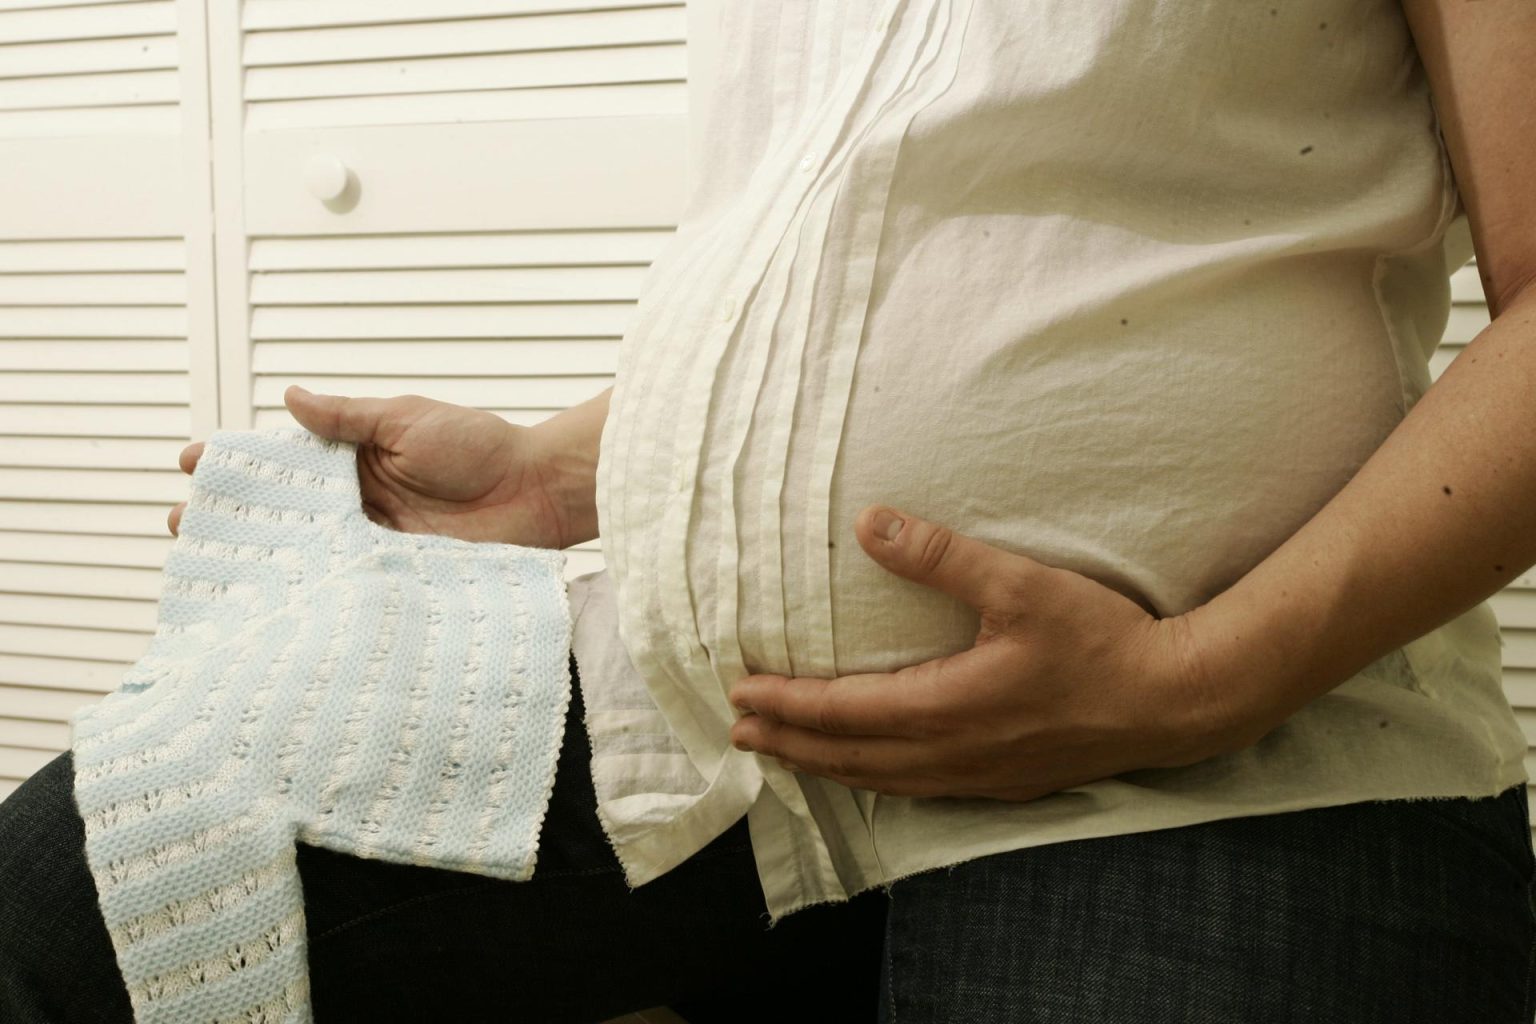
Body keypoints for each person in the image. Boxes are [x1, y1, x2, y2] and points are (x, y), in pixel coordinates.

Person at [4, 1, 1535, 1020]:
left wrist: (1207, 680)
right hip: (726, 745)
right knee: (49, 908)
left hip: (1244, 761)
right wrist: (555, 473)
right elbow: (851, 259)